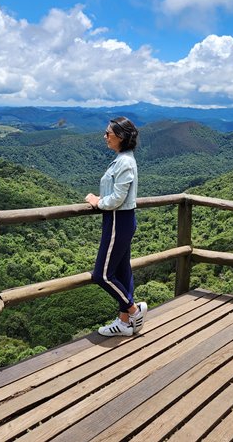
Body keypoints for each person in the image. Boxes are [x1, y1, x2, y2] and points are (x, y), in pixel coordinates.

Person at [85, 116, 147, 337]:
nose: (105, 137)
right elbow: (118, 193)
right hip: (119, 219)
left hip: (117, 220)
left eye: (108, 134)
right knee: (122, 270)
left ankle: (133, 310)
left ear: (120, 137)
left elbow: (118, 198)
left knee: (101, 275)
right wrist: (104, 197)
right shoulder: (123, 159)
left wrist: (96, 201)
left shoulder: (124, 162)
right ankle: (123, 322)